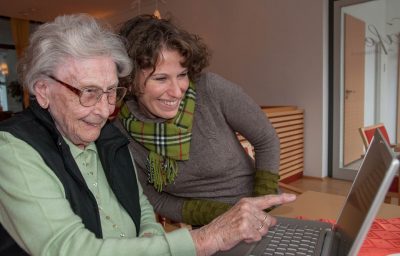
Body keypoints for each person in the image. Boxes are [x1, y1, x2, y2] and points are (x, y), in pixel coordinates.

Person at [0, 13, 296, 256]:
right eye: (89, 92)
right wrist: (207, 232)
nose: (104, 111)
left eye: (110, 93)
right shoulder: (18, 148)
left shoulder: (106, 137)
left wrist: (259, 206)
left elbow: (142, 212)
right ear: (43, 91)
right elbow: (70, 247)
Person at [116, 14, 281, 226]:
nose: (176, 91)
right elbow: (154, 198)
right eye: (160, 78)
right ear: (129, 80)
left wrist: (260, 206)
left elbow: (266, 139)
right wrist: (224, 215)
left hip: (264, 211)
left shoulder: (211, 89)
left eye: (182, 75)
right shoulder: (119, 131)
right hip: (209, 225)